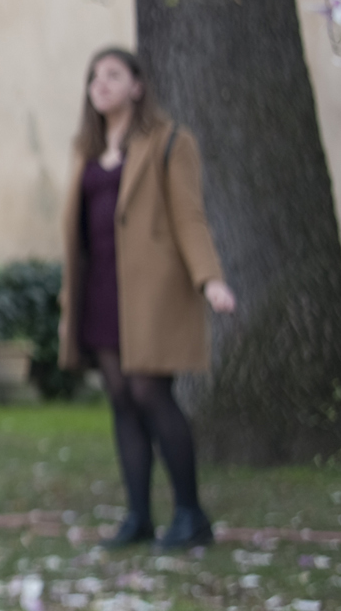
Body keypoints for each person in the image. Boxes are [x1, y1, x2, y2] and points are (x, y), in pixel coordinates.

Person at [57, 48, 237, 551]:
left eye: (113, 74)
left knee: (150, 394)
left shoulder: (169, 142)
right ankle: (138, 515)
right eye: (94, 77)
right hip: (100, 292)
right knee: (120, 401)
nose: (101, 84)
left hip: (150, 294)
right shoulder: (85, 152)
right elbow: (77, 236)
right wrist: (66, 304)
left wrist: (209, 279)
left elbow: (189, 217)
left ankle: (191, 514)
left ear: (138, 85)